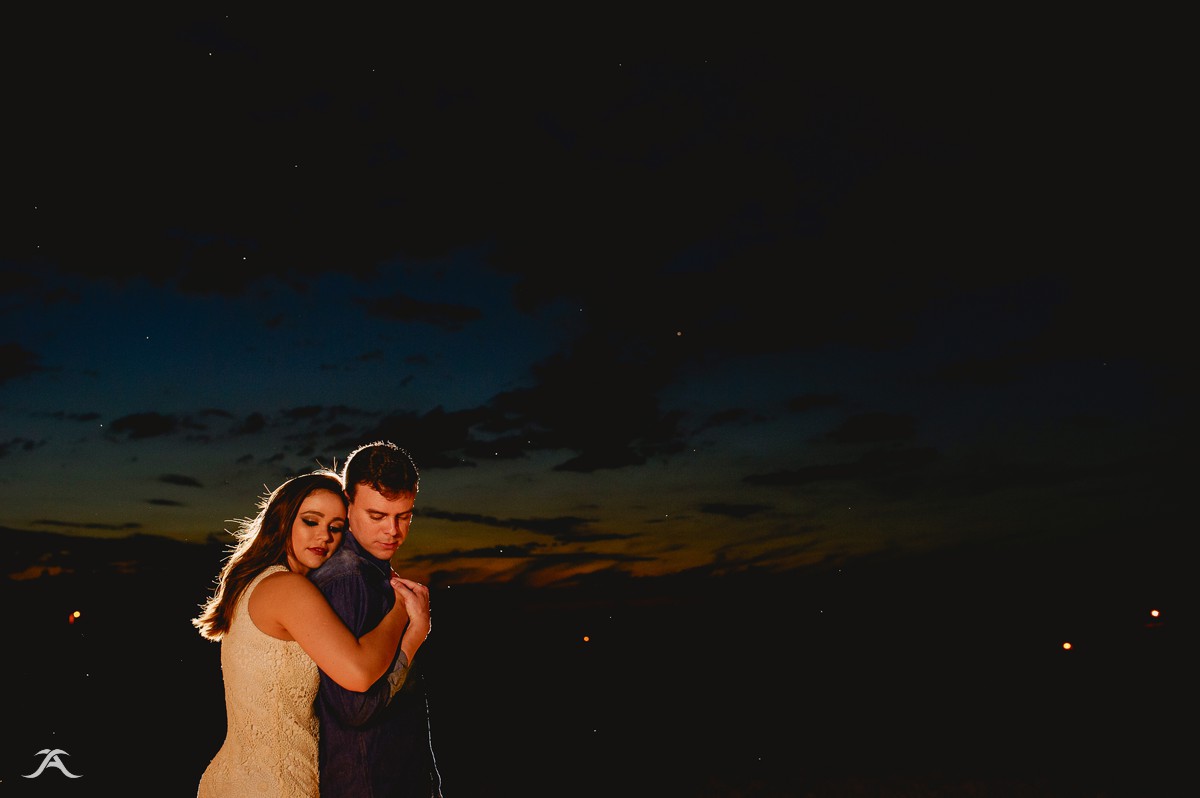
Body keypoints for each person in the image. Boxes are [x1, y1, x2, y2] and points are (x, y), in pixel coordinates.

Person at [193, 469, 420, 798]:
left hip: (233, 780)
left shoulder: (256, 583)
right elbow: (359, 673)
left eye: (336, 528)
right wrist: (403, 611)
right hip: (276, 788)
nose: (324, 537)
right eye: (311, 521)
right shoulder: (286, 588)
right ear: (282, 521)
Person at [310, 440, 443, 797]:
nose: (393, 531)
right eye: (378, 516)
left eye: (404, 515)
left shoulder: (372, 573)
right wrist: (415, 634)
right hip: (369, 784)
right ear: (347, 504)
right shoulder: (348, 578)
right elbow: (355, 709)